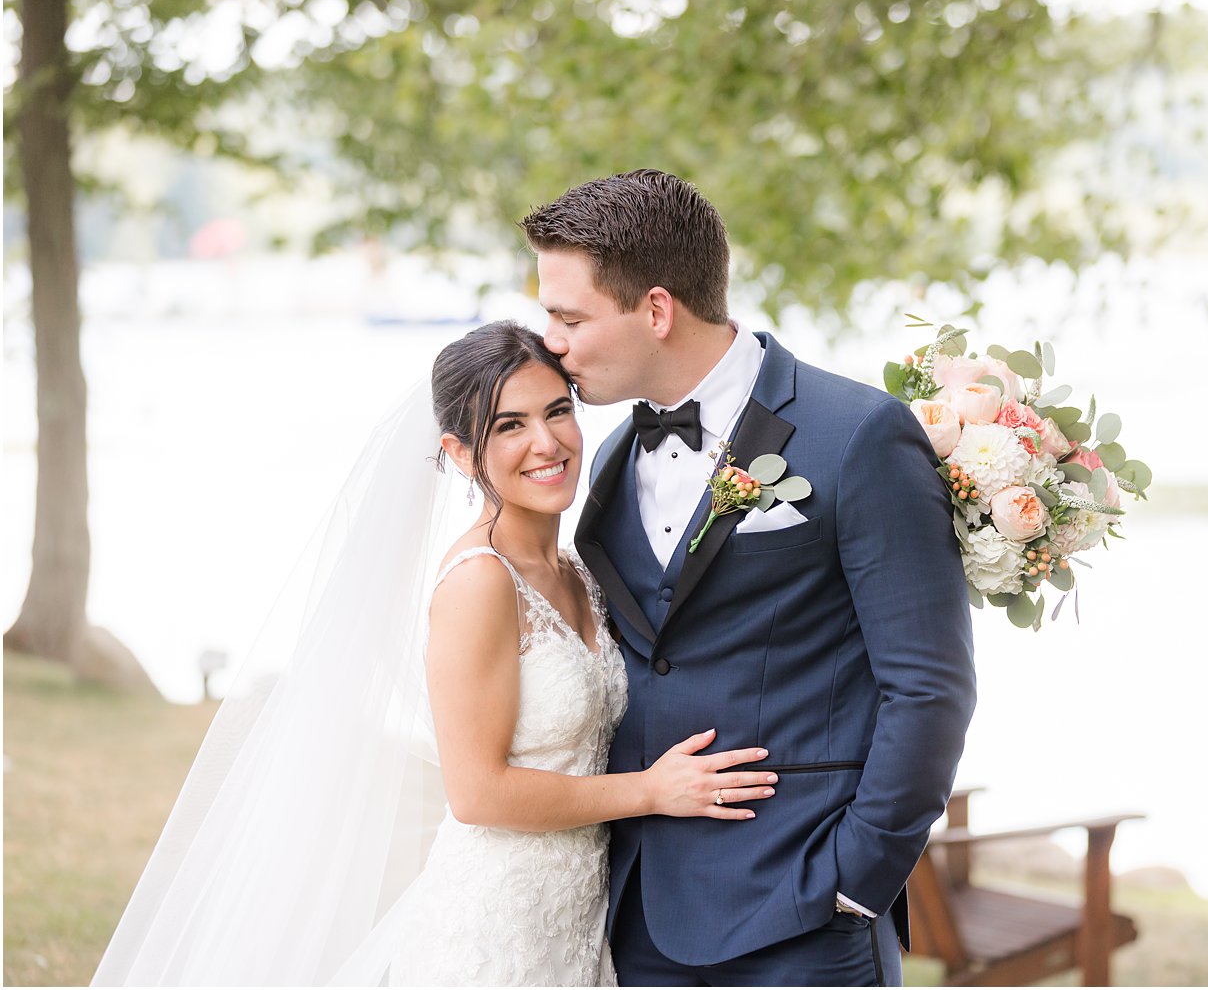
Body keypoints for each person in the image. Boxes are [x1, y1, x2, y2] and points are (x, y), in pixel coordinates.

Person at [92, 321, 776, 987]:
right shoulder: (480, 580)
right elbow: (478, 792)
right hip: (493, 934)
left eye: (556, 411)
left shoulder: (578, 569)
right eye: (509, 425)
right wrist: (652, 790)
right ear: (459, 452)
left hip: (575, 921)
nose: (546, 441)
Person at [523, 169, 978, 987]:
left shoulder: (857, 435)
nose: (550, 340)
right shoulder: (613, 462)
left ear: (656, 310)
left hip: (799, 917)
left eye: (568, 317)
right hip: (635, 913)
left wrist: (852, 881)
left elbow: (931, 687)